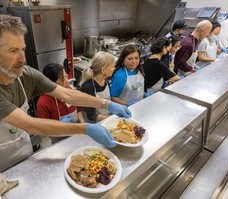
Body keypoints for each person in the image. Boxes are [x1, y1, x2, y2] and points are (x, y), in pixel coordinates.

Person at [0, 14, 131, 172]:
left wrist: (106, 103)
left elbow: (68, 94)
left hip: (24, 154)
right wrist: (85, 128)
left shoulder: (26, 75)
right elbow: (32, 125)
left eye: (23, 49)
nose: (23, 59)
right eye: (14, 51)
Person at [36, 63, 84, 144]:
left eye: (66, 77)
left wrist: (83, 125)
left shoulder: (69, 90)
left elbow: (78, 110)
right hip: (60, 140)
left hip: (77, 133)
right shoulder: (44, 102)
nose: (66, 81)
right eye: (62, 79)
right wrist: (59, 126)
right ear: (50, 82)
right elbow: (44, 131)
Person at [78, 51, 115, 123]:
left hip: (107, 120)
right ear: (103, 70)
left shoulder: (106, 81)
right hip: (94, 124)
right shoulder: (88, 87)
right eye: (112, 66)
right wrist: (112, 118)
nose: (114, 68)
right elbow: (91, 116)